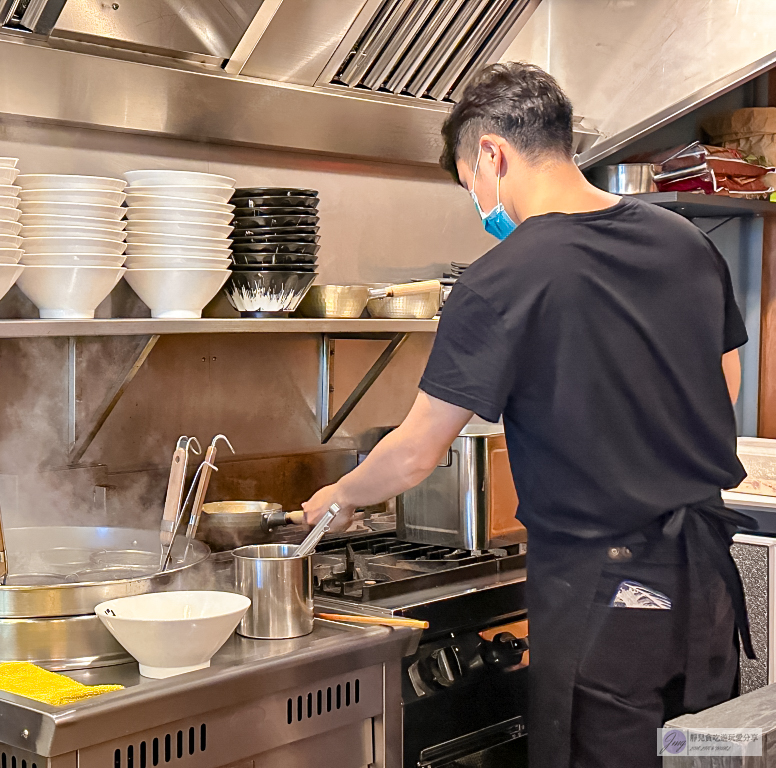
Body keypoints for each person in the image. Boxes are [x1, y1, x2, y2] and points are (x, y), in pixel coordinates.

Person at [302, 62, 756, 768]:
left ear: (492, 154)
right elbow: (723, 381)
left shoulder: (501, 279)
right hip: (702, 582)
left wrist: (339, 496)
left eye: (469, 183)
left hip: (605, 594)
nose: (480, 202)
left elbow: (418, 450)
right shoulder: (684, 243)